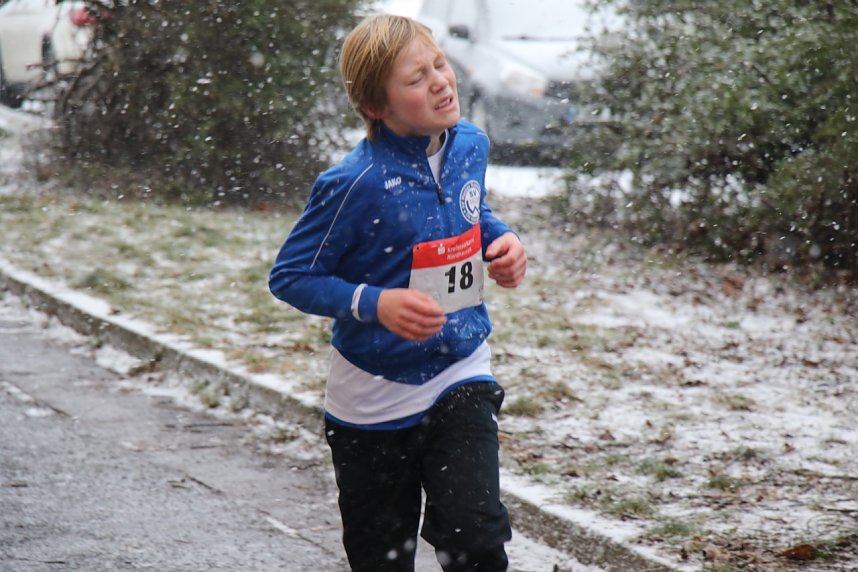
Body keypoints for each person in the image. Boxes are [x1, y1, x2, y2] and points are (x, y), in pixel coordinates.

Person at [268, 13, 527, 572]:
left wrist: (501, 240)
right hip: (372, 398)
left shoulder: (470, 145)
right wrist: (375, 303)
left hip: (461, 369)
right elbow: (291, 276)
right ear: (375, 107)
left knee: (477, 539)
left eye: (440, 64)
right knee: (381, 559)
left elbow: (467, 209)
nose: (440, 81)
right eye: (416, 78)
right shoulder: (352, 184)